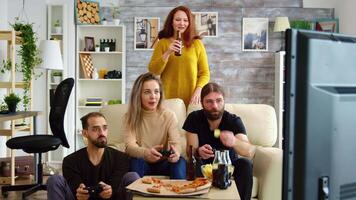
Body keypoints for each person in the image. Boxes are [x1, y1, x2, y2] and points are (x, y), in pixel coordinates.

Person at [183, 83, 256, 200]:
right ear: (202, 103)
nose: (215, 106)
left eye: (219, 101)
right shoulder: (194, 118)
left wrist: (234, 142)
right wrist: (198, 151)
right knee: (194, 164)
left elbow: (250, 151)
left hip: (229, 166)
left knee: (245, 164)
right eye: (209, 102)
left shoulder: (233, 121)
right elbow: (190, 151)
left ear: (224, 101)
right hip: (204, 166)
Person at [47, 112, 139, 200]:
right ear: (85, 133)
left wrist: (110, 191)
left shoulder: (121, 158)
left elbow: (116, 188)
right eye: (95, 129)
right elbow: (74, 190)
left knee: (132, 176)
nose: (102, 133)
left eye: (105, 128)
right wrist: (79, 193)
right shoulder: (70, 161)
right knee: (54, 180)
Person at [124, 72, 186, 179]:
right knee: (135, 160)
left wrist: (176, 153)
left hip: (164, 162)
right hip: (143, 162)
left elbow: (176, 143)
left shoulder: (168, 115)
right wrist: (146, 153)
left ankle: (178, 194)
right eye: (147, 92)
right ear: (138, 95)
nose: (153, 96)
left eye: (156, 92)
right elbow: (129, 147)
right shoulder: (130, 117)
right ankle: (137, 194)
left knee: (180, 161)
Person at [148, 5, 210, 107]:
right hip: (168, 100)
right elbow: (154, 71)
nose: (182, 23)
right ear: (171, 22)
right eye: (178, 20)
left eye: (185, 20)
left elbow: (205, 73)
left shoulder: (197, 43)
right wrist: (167, 52)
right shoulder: (163, 43)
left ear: (189, 23)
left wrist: (198, 90)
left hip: (192, 99)